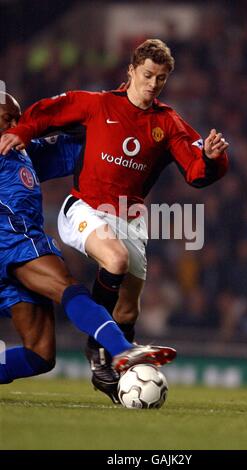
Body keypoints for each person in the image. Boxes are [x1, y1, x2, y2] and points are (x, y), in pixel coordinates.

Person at [0, 39, 228, 400]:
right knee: (100, 268)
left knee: (47, 352)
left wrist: (213, 159)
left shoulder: (167, 123)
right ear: (132, 71)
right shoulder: (96, 104)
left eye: (162, 78)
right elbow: (46, 113)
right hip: (66, 218)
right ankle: (111, 349)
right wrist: (23, 128)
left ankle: (110, 353)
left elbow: (197, 170)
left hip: (130, 218)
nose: (153, 84)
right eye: (148, 75)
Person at [0, 92, 176, 398]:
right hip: (11, 239)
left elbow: (83, 148)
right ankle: (121, 349)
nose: (16, 125)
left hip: (21, 243)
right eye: (7, 119)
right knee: (68, 287)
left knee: (40, 355)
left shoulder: (25, 152)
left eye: (18, 118)